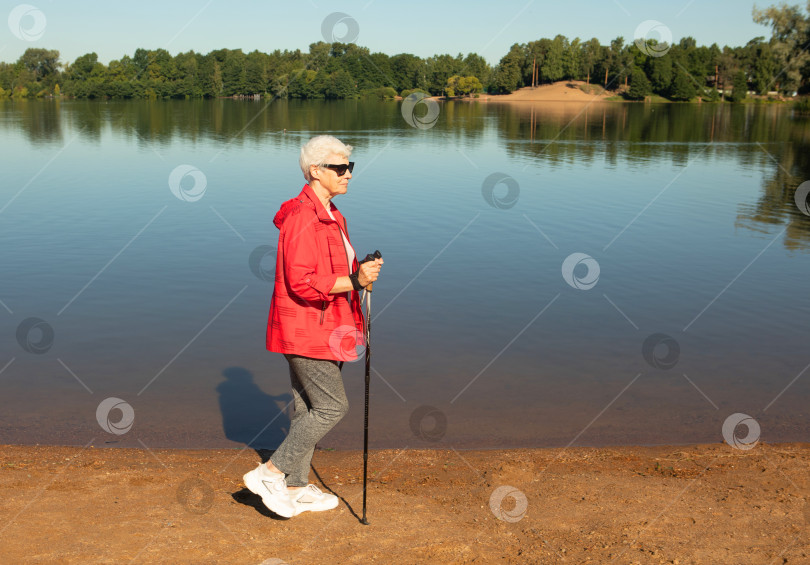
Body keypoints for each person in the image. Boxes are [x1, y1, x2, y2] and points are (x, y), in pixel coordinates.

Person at [243, 135, 383, 518]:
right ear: (315, 171)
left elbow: (332, 273)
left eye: (349, 167)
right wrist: (354, 281)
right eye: (339, 167)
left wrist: (360, 275)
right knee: (332, 407)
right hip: (306, 328)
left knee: (307, 407)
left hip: (329, 325)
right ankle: (270, 473)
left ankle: (297, 486)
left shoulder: (333, 214)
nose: (348, 174)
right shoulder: (303, 216)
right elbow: (301, 281)